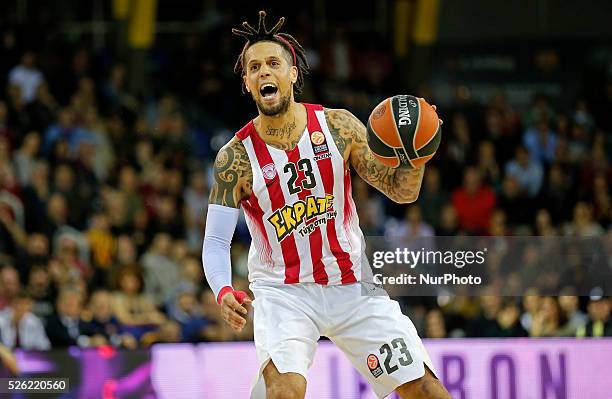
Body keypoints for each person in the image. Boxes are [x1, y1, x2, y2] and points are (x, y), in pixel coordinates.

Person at [202, 11, 450, 399]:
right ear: (248, 83)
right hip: (284, 293)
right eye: (254, 67)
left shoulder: (339, 127)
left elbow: (401, 192)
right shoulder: (235, 159)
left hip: (352, 285)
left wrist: (415, 155)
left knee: (427, 391)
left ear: (293, 73)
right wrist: (222, 291)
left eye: (273, 63)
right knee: (286, 392)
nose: (264, 72)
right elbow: (216, 242)